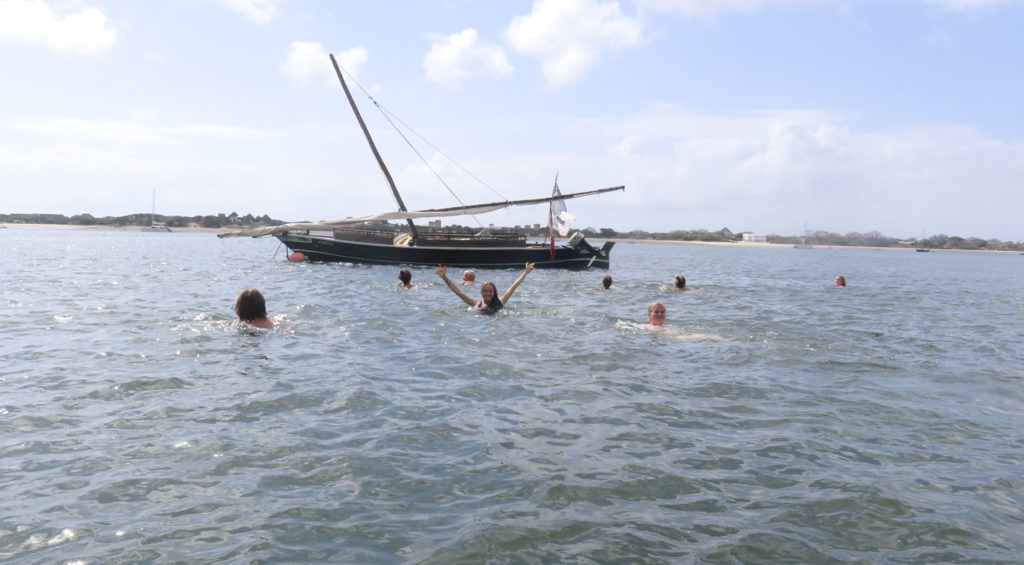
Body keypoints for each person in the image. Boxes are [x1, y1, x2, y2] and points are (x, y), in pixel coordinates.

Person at [436, 263, 535, 314]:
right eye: (486, 291)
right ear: (482, 292)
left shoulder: (500, 302)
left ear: (494, 292)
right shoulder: (477, 304)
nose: (488, 293)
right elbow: (458, 292)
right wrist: (444, 277)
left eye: (490, 291)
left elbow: (513, 287)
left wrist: (525, 272)